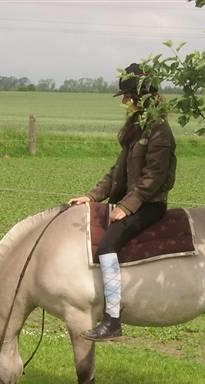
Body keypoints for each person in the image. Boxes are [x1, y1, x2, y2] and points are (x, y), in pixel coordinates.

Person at [68, 62, 177, 341]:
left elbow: (154, 177)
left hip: (149, 205)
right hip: (130, 201)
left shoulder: (159, 131)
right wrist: (92, 196)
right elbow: (116, 173)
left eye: (128, 96)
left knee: (107, 245)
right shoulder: (137, 128)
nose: (126, 101)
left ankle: (113, 320)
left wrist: (127, 207)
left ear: (141, 96)